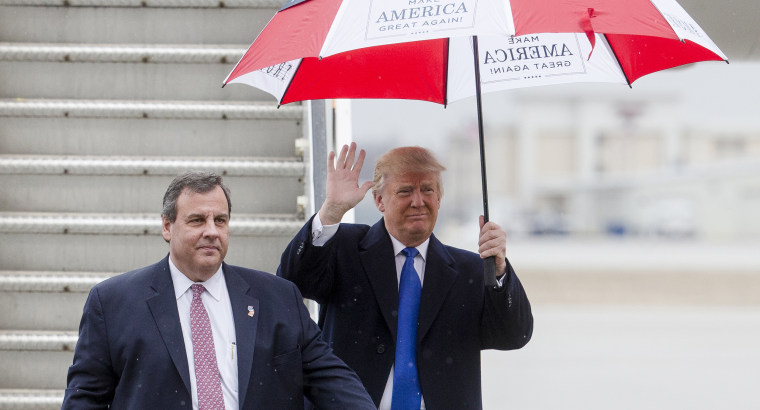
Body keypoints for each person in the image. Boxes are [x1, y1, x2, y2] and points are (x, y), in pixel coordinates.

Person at [63, 171, 375, 410]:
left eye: (220, 220)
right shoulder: (114, 303)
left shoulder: (278, 298)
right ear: (167, 227)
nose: (211, 231)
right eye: (197, 220)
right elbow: (84, 398)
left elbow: (334, 381)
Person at [278, 143, 533, 409]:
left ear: (439, 198)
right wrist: (331, 211)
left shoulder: (469, 269)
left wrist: (500, 270)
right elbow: (292, 282)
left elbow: (514, 335)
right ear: (379, 200)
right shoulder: (345, 248)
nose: (418, 201)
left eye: (427, 190)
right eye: (405, 191)